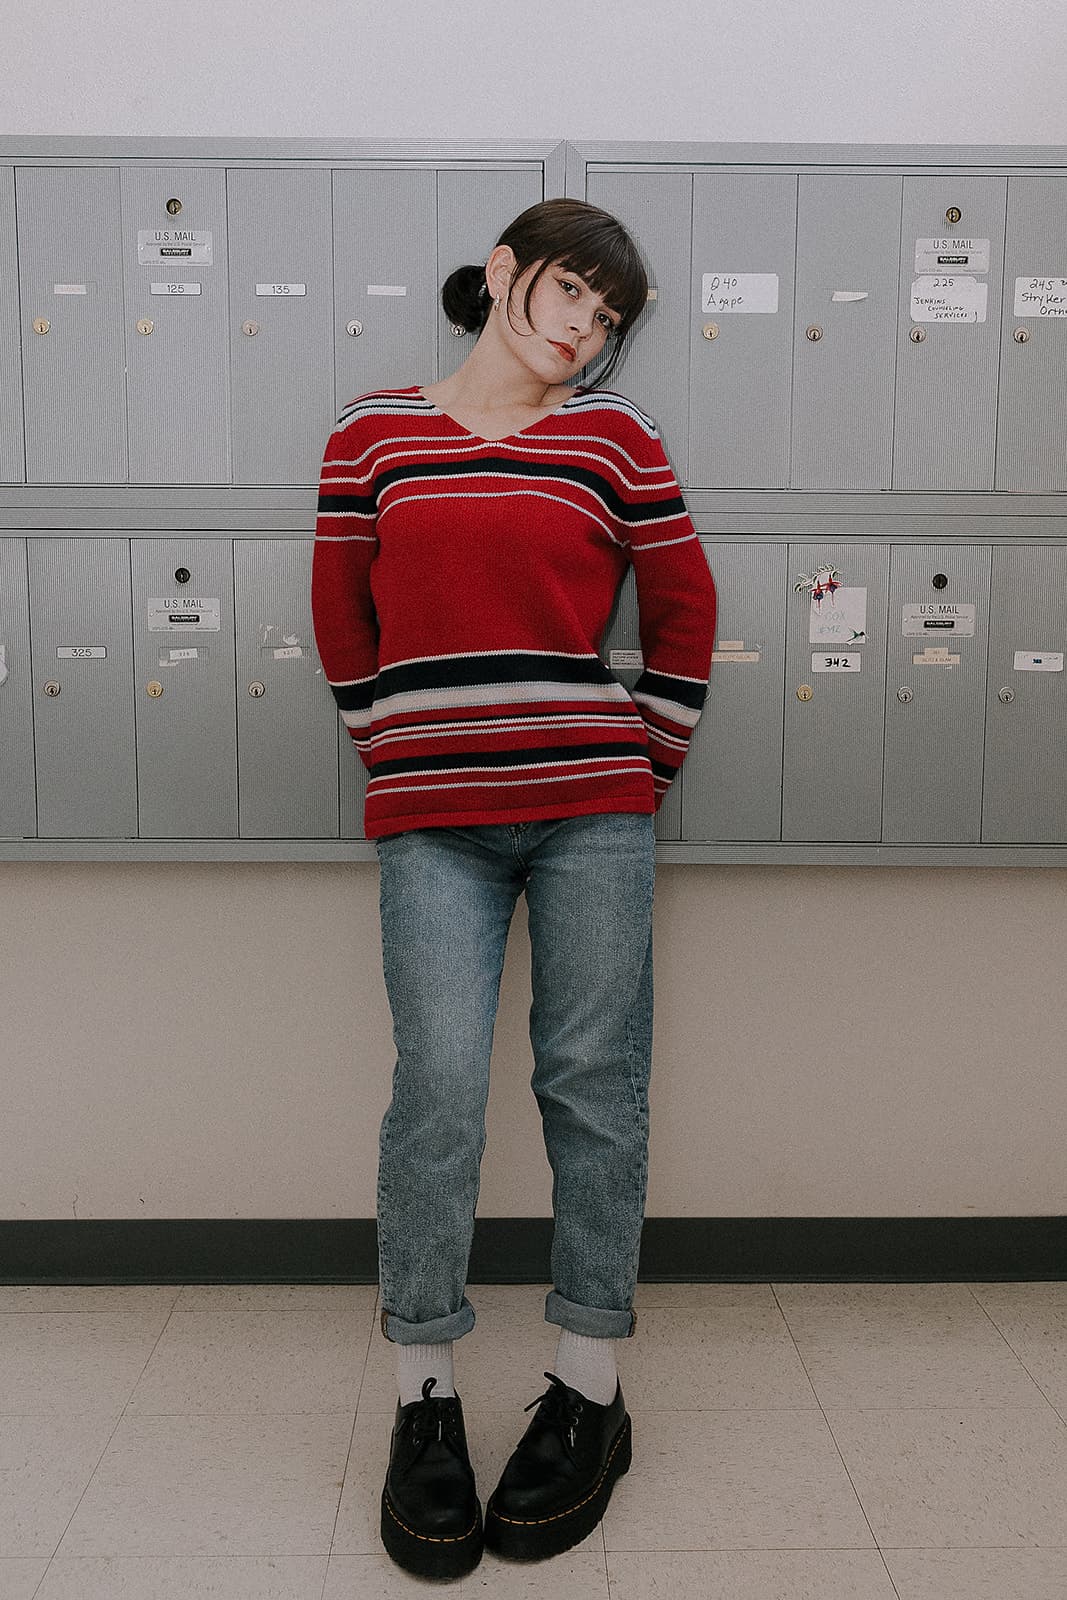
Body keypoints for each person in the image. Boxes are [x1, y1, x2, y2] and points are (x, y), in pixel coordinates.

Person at [311, 197, 716, 1579]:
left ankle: (589, 1386)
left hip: (592, 811)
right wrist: (398, 750)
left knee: (591, 1082)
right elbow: (341, 615)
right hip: (434, 820)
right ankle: (426, 1395)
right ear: (501, 276)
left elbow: (683, 608)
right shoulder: (371, 434)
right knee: (435, 1088)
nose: (583, 333)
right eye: (569, 298)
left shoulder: (619, 440)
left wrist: (639, 766)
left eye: (606, 322)